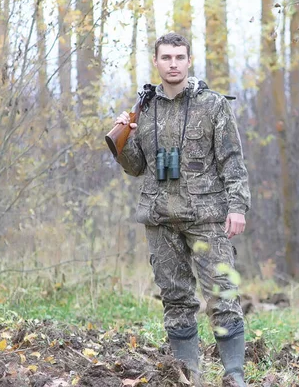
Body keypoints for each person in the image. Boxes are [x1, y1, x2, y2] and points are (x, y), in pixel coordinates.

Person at [113, 32, 250, 387]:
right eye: (166, 58)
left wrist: (237, 207)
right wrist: (122, 138)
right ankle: (187, 375)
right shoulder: (144, 108)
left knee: (221, 296)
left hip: (206, 216)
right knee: (175, 300)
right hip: (160, 218)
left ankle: (234, 375)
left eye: (179, 57)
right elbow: (135, 166)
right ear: (156, 62)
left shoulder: (214, 105)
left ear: (189, 61)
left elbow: (232, 161)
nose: (173, 64)